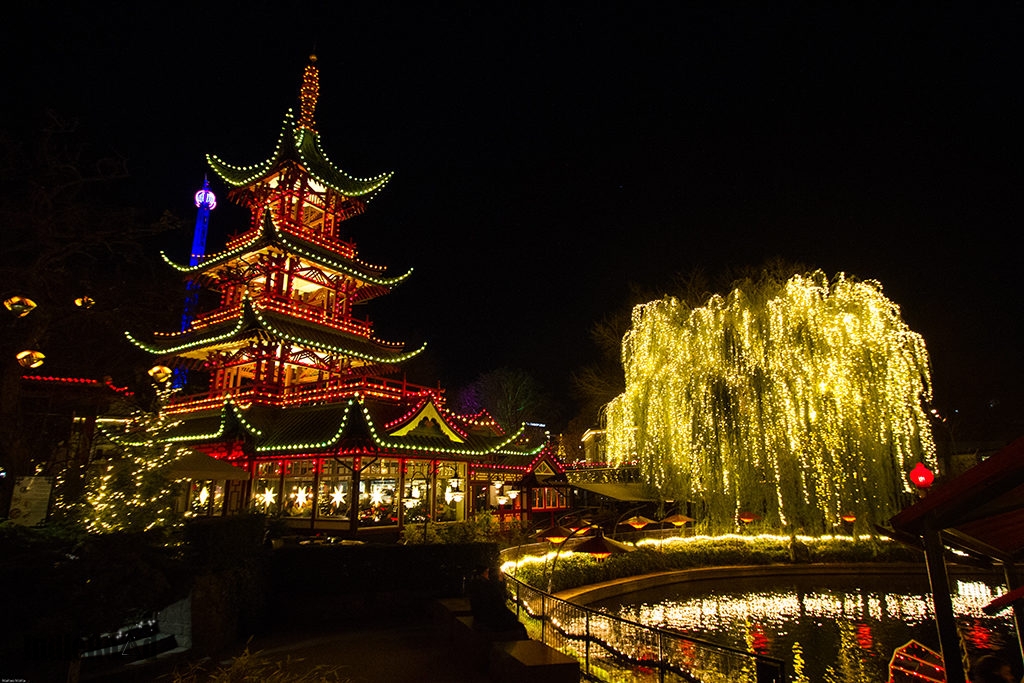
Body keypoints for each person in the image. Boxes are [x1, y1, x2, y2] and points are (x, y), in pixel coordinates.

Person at [465, 565, 528, 640]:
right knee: (520, 627)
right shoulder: (491, 589)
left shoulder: (478, 585)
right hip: (490, 621)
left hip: (483, 618)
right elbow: (499, 607)